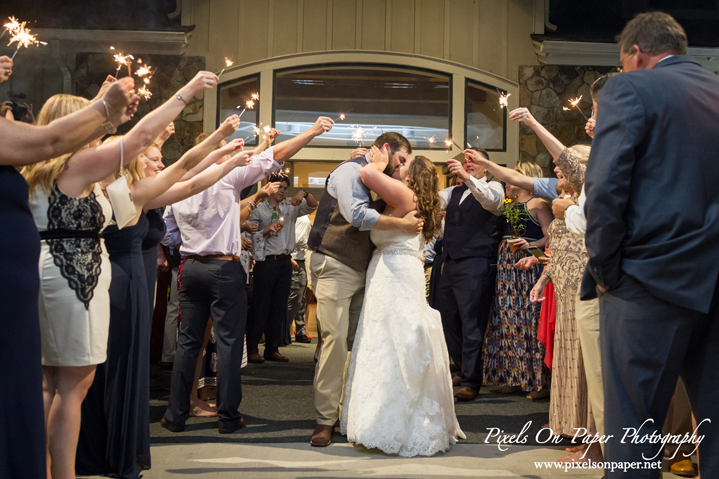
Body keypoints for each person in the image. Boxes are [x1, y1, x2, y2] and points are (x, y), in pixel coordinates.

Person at [584, 12, 719, 477]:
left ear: (635, 55)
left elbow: (604, 189)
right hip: (714, 280)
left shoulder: (630, 89)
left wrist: (605, 271)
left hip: (646, 281)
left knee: (634, 433)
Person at [73, 71, 221, 479]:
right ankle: (104, 450)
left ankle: (112, 448)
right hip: (118, 280)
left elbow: (187, 178)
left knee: (125, 366)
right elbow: (185, 173)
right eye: (153, 155)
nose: (159, 160)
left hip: (134, 280)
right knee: (113, 365)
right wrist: (211, 138)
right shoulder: (120, 191)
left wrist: (226, 155)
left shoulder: (133, 188)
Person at [0, 57, 135, 479]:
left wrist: (105, 108)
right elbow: (64, 139)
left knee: (43, 382)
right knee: (64, 384)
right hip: (61, 275)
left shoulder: (45, 165)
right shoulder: (65, 167)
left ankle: (37, 468)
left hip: (44, 274)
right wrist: (108, 111)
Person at [161, 116, 335, 435]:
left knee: (188, 344)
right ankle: (228, 417)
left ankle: (175, 415)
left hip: (191, 269)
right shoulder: (225, 178)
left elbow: (168, 236)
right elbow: (276, 156)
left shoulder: (177, 188)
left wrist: (193, 238)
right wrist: (310, 131)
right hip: (223, 268)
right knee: (228, 343)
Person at [340, 147, 465, 456]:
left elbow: (366, 174)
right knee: (396, 338)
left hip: (393, 273)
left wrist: (378, 162)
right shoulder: (419, 200)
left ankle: (395, 421)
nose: (398, 166)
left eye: (403, 163)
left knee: (391, 340)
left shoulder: (404, 195)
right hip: (398, 270)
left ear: (411, 174)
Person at [307, 132, 423, 447]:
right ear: (385, 150)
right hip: (335, 263)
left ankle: (351, 414)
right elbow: (357, 216)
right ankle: (324, 420)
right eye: (399, 160)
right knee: (334, 342)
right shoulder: (349, 172)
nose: (400, 169)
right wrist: (401, 226)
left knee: (362, 344)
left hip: (365, 272)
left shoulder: (377, 181)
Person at [483, 161, 553, 399]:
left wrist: (529, 244)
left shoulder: (539, 204)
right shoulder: (509, 204)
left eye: (517, 173)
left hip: (528, 268)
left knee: (528, 321)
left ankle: (537, 382)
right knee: (506, 319)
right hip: (506, 269)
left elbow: (549, 238)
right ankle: (512, 376)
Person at [440, 149, 505, 402]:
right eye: (465, 162)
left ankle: (471, 380)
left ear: (485, 166)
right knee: (448, 319)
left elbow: (492, 202)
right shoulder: (453, 192)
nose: (468, 165)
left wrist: (468, 178)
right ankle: (461, 366)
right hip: (451, 261)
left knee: (472, 322)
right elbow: (433, 200)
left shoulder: (496, 187)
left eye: (473, 161)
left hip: (477, 262)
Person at [246, 173, 318, 362]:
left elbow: (313, 204)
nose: (282, 191)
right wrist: (265, 230)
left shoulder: (290, 208)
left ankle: (272, 348)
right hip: (266, 261)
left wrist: (303, 191)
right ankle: (252, 348)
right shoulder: (259, 210)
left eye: (285, 188)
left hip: (286, 261)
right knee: (260, 306)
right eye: (279, 187)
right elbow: (248, 238)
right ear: (270, 187)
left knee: (279, 307)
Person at [287, 215, 313, 344]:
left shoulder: (303, 219)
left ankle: (300, 330)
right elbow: (297, 240)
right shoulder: (303, 219)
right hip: (296, 259)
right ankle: (285, 330)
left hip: (301, 259)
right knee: (296, 297)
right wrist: (314, 244)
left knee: (301, 298)